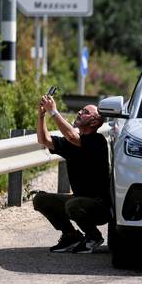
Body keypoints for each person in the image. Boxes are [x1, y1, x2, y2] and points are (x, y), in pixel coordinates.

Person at [33, 93, 111, 254]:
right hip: (79, 201)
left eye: (86, 112)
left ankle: (93, 236)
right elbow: (44, 140)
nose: (80, 112)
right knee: (41, 199)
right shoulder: (72, 143)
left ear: (94, 121)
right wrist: (42, 116)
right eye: (81, 110)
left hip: (100, 206)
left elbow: (71, 135)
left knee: (72, 205)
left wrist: (54, 111)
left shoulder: (98, 141)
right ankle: (70, 235)